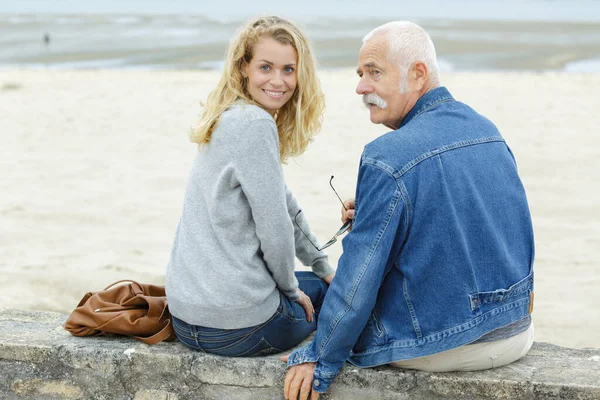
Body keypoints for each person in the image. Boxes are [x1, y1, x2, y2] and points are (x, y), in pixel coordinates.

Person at [282, 21, 535, 400]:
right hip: (516, 333)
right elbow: (512, 233)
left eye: (374, 72)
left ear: (418, 74)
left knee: (302, 295)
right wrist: (375, 214)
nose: (361, 87)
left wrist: (319, 358)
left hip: (444, 345)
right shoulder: (488, 131)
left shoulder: (386, 156)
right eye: (360, 74)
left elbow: (358, 279)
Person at [165, 16, 335, 358]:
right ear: (243, 67)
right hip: (238, 329)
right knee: (340, 294)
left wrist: (320, 264)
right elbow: (276, 230)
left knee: (322, 281)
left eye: (289, 70)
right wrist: (291, 289)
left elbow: (284, 206)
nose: (278, 80)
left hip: (184, 320)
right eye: (266, 67)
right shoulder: (256, 125)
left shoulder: (228, 116)